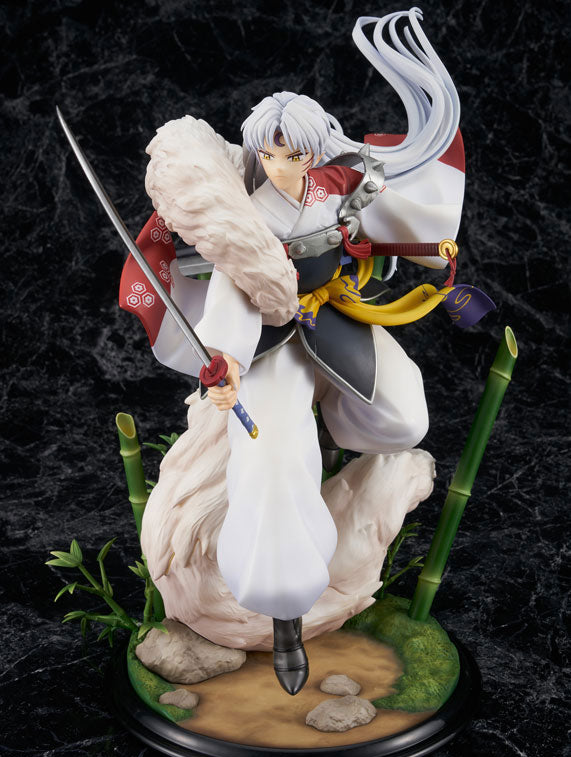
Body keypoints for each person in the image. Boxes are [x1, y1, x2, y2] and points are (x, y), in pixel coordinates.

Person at [138, 9, 468, 694]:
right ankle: (285, 616)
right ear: (257, 154)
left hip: (331, 316)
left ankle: (344, 454)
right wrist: (227, 362)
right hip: (266, 342)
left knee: (404, 417)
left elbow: (379, 227)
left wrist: (427, 251)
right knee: (274, 467)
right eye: (270, 155)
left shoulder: (336, 186)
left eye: (293, 155)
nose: (282, 166)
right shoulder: (248, 213)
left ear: (313, 153)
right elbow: (230, 290)